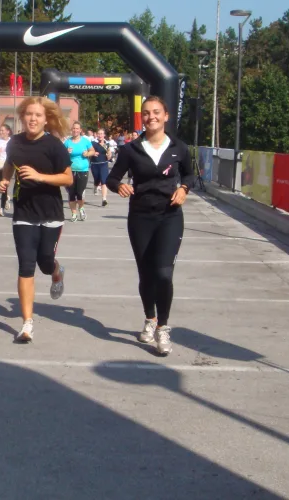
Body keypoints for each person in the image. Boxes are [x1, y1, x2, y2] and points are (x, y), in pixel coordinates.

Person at [106, 96, 193, 355]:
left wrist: (184, 188)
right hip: (140, 217)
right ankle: (149, 318)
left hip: (170, 217)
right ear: (141, 117)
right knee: (146, 274)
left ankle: (163, 328)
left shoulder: (179, 148)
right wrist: (119, 186)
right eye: (146, 113)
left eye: (156, 112)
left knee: (164, 273)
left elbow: (189, 174)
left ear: (166, 116)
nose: (151, 117)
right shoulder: (131, 149)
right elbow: (112, 178)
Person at [0, 96, 73, 342]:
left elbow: (68, 178)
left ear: (45, 120)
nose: (33, 119)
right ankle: (27, 323)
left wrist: (40, 177)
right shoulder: (15, 142)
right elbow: (10, 164)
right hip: (23, 213)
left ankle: (57, 271)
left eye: (38, 115)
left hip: (51, 213)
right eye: (29, 114)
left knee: (45, 262)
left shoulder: (54, 145)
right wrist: (5, 180)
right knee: (26, 265)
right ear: (22, 117)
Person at [63, 122, 94, 222]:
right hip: (70, 170)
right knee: (71, 193)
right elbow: (61, 154)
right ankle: (74, 213)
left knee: (80, 192)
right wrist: (66, 152)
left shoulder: (85, 141)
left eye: (77, 129)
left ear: (80, 130)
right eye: (74, 128)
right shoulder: (67, 142)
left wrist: (87, 153)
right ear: (71, 130)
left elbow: (92, 151)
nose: (75, 130)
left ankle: (81, 208)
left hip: (83, 170)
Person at [90, 128, 114, 206]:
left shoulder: (107, 144)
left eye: (101, 134)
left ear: (104, 135)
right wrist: (93, 153)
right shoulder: (93, 143)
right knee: (97, 180)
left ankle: (104, 199)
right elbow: (89, 151)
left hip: (104, 164)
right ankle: (95, 186)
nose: (100, 135)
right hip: (94, 164)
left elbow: (109, 155)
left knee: (104, 181)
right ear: (97, 135)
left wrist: (109, 155)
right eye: (99, 134)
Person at [0, 124, 13, 216]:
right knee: (2, 186)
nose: (1, 132)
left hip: (8, 165)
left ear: (8, 131)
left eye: (3, 130)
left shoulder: (12, 141)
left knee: (4, 186)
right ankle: (6, 198)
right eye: (0, 130)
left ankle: (1, 209)